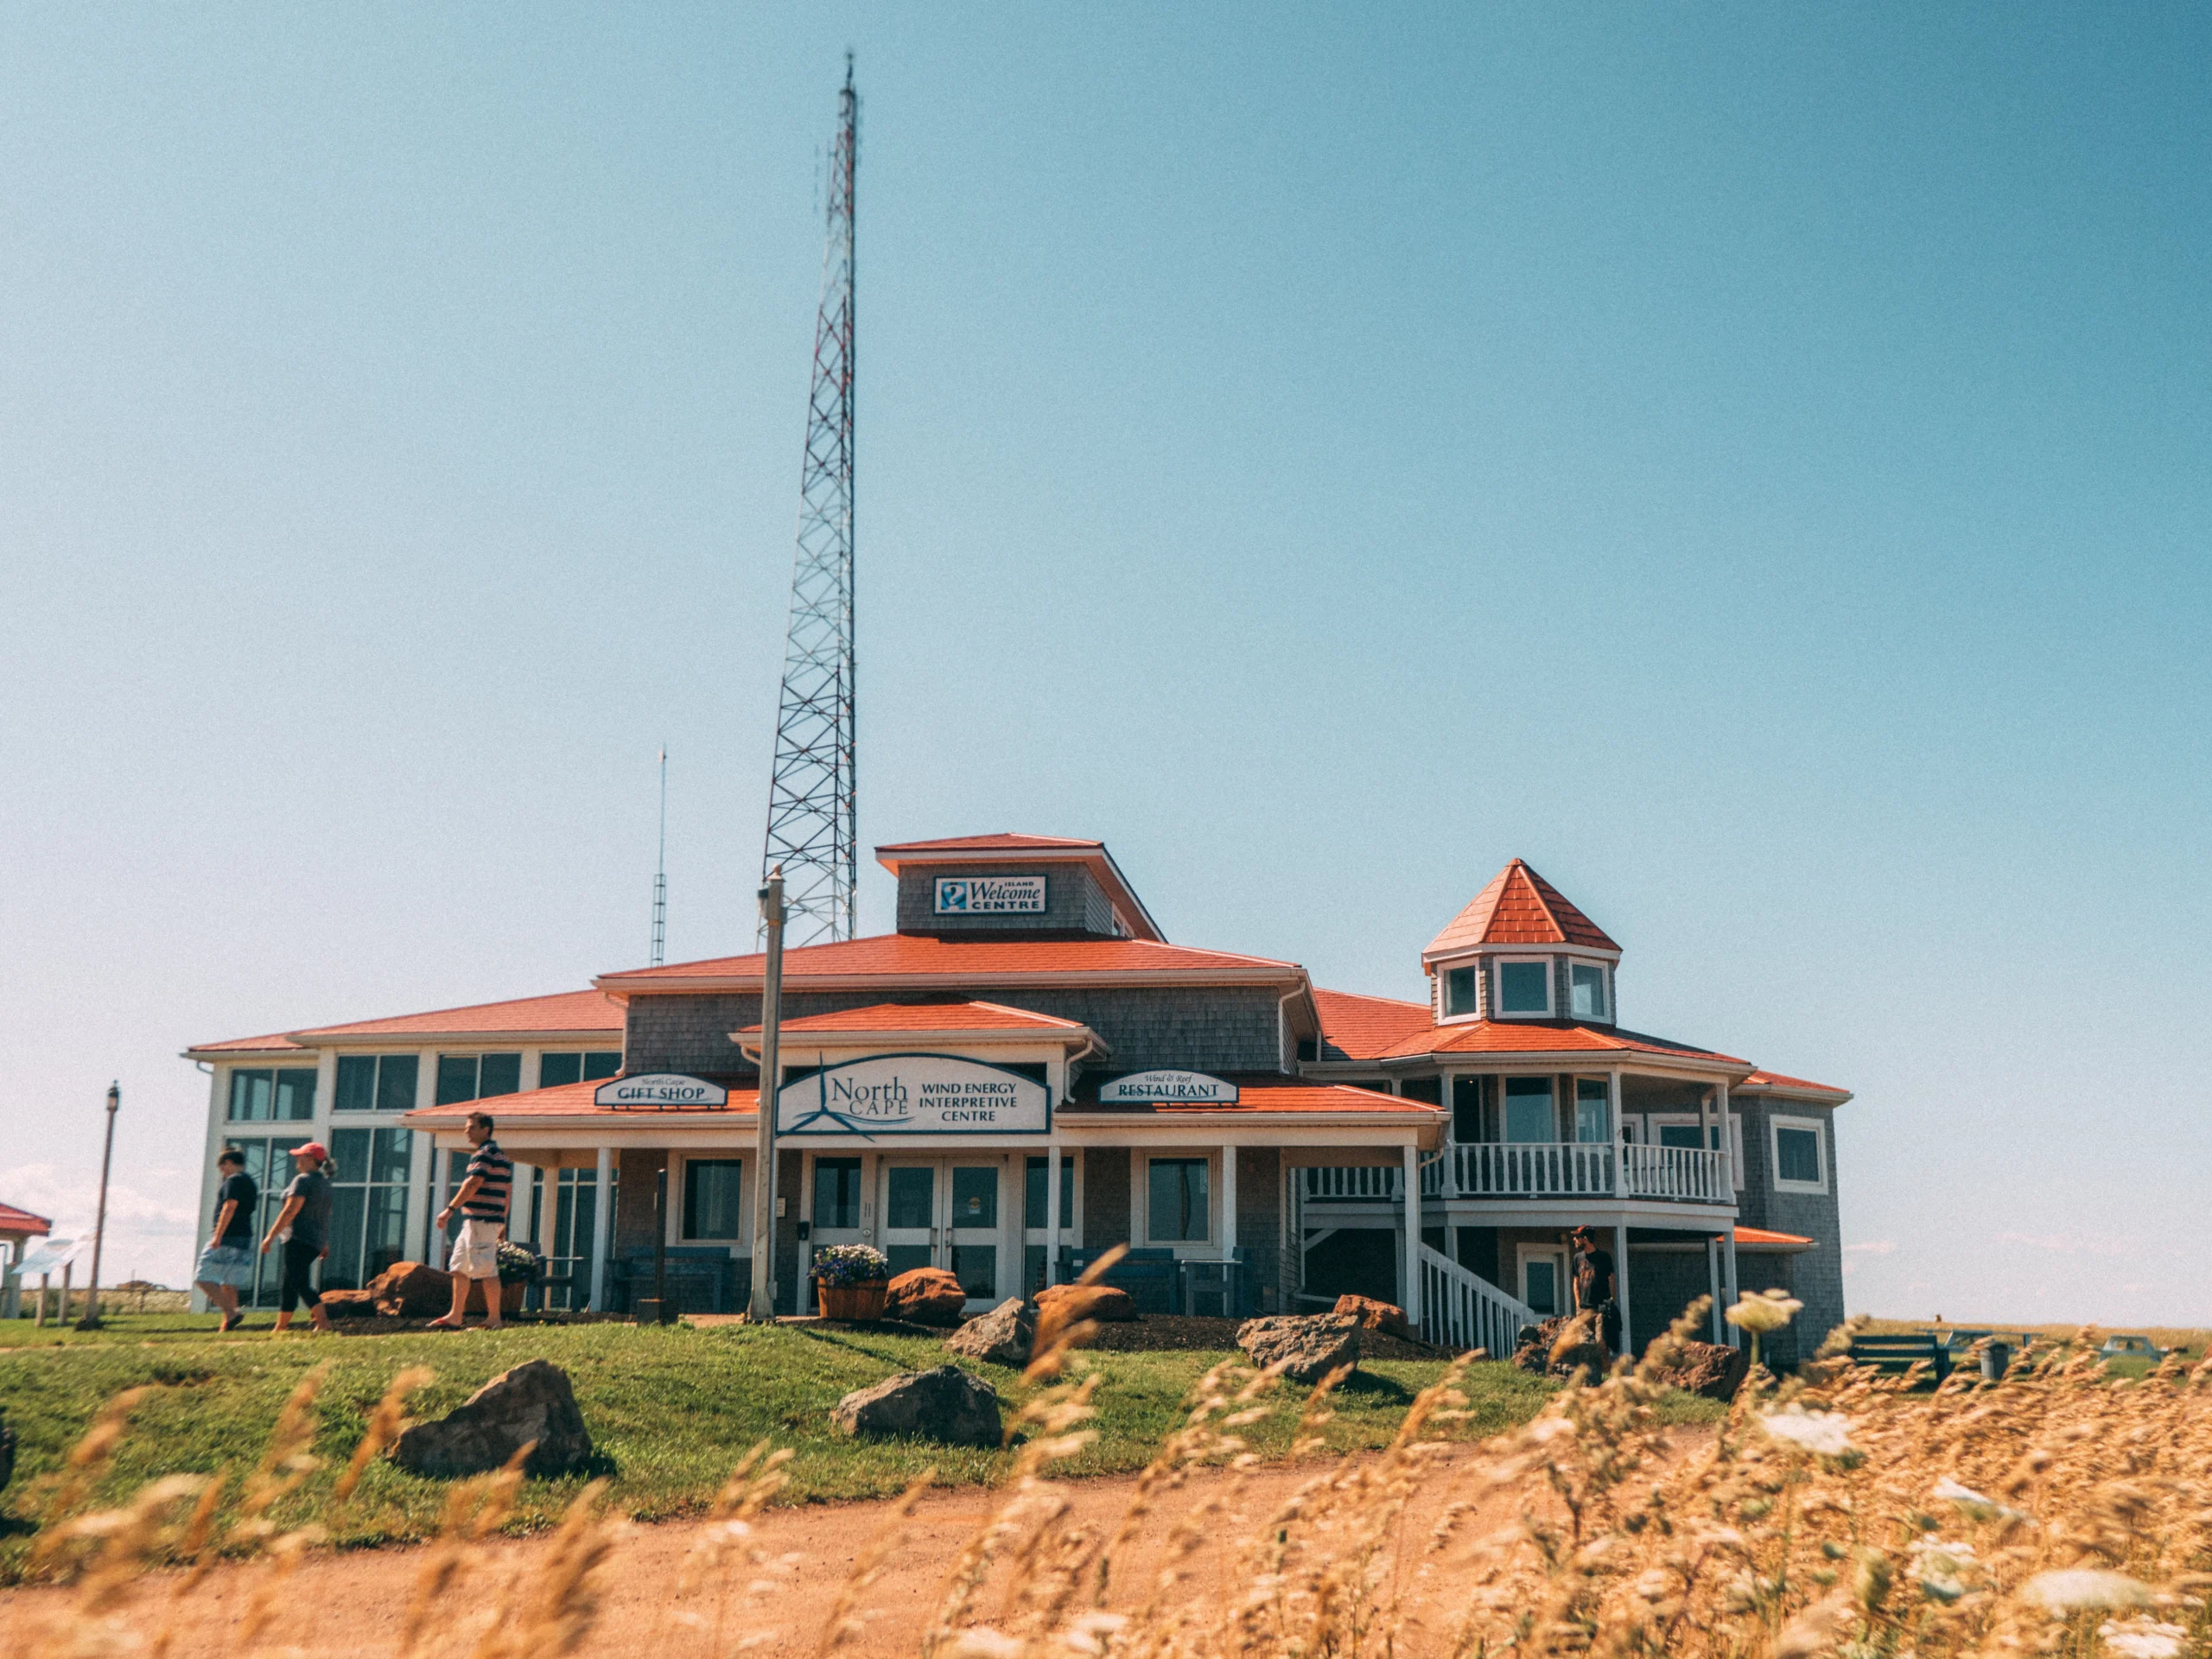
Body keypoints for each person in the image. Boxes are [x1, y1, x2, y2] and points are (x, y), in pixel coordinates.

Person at [429, 1112, 512, 1332]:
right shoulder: (499, 1156)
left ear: (486, 1129)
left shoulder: (486, 1154)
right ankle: (455, 1316)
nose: (467, 1130)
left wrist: (449, 1210)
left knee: (486, 1269)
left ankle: (494, 1320)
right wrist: (502, 1222)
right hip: (475, 1222)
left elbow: (473, 1183)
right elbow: (507, 1192)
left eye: (472, 1127)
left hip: (482, 1222)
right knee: (458, 1267)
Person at [259, 1141, 334, 1333]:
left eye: (300, 1155)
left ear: (310, 1158)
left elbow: (290, 1210)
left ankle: (324, 1323)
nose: (297, 1159)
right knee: (290, 1284)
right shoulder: (325, 1184)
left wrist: (270, 1236)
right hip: (314, 1241)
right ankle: (280, 1327)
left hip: (298, 1238)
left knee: (299, 1283)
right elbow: (323, 1215)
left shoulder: (302, 1180)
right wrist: (324, 1243)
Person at [193, 1147, 258, 1332]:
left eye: (222, 1166)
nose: (222, 1170)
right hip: (245, 1237)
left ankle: (231, 1313)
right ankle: (228, 1324)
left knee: (202, 1278)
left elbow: (230, 1207)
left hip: (228, 1236)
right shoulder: (250, 1182)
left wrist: (218, 1235)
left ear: (229, 1162)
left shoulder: (233, 1181)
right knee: (229, 1283)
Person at [1569, 1225, 1622, 1356]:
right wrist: (1578, 1303)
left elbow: (1612, 1280)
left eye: (1577, 1237)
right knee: (1584, 1343)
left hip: (1601, 1308)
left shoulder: (1604, 1257)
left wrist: (1611, 1301)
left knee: (1601, 1343)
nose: (1574, 1239)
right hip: (1584, 1309)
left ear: (1585, 1239)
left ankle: (1606, 1373)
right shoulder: (1577, 1258)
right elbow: (1576, 1282)